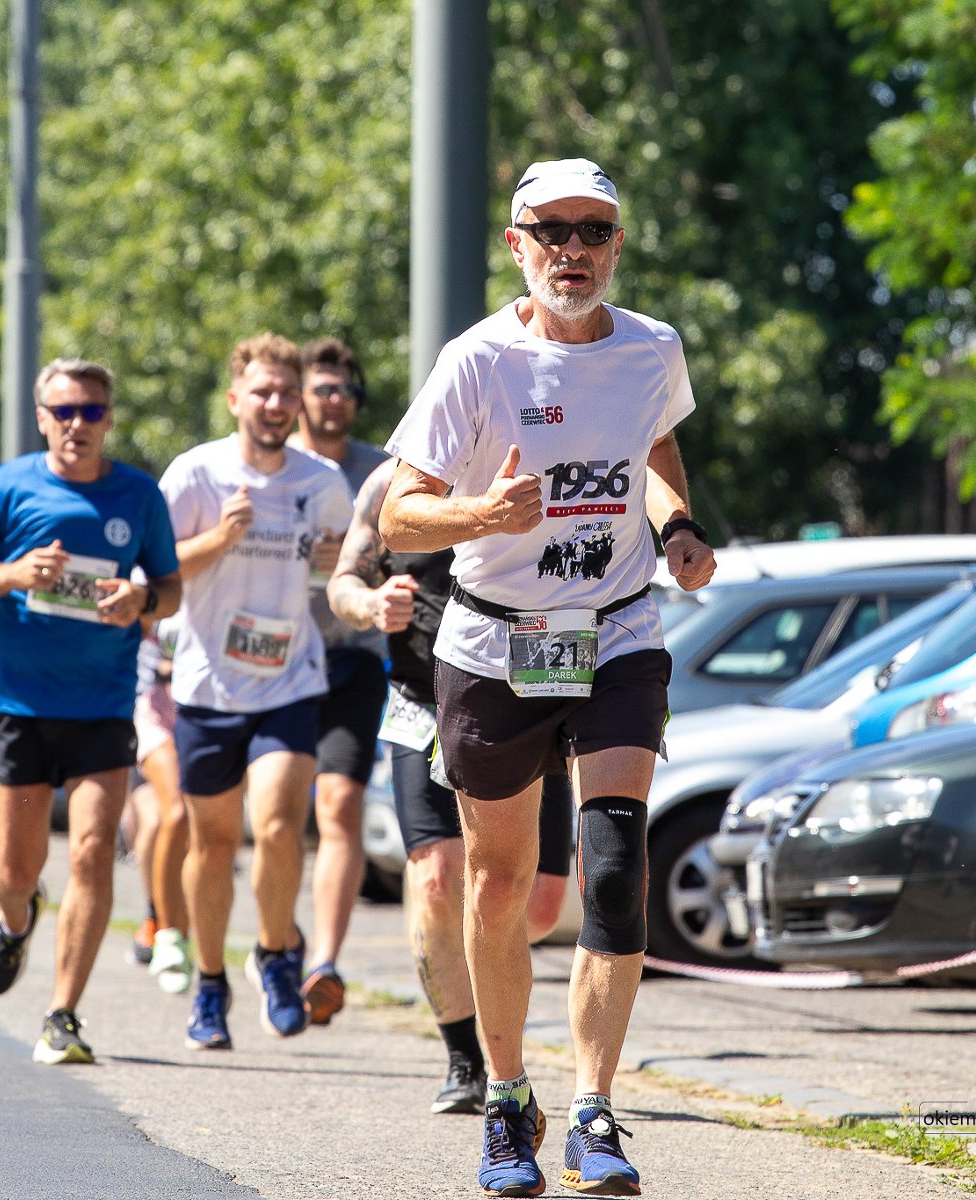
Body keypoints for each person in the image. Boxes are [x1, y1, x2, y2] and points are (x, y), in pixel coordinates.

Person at [381, 158, 716, 1197]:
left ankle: (595, 1109)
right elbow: (399, 513)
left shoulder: (652, 347)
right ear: (518, 244)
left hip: (615, 628)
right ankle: (506, 1098)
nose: (575, 249)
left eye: (595, 230)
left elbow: (655, 448)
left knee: (614, 863)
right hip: (493, 641)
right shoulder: (477, 362)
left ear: (617, 242)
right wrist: (481, 516)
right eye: (552, 230)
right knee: (501, 885)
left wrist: (679, 528)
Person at [0, 358, 182, 1065]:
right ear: (42, 418)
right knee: (15, 865)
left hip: (102, 702)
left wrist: (143, 602)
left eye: (91, 411)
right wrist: (11, 573)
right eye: (63, 411)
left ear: (109, 418)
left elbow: (171, 587)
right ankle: (12, 924)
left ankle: (63, 1013)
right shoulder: (4, 488)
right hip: (18, 704)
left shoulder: (137, 495)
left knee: (96, 850)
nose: (77, 424)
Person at [329, 456, 573, 1116]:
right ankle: (466, 1058)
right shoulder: (396, 481)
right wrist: (371, 604)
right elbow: (343, 582)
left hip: (529, 694)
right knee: (438, 876)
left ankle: (493, 1009)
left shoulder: (553, 456)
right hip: (422, 700)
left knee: (542, 906)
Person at [157, 332, 352, 1051]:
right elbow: (154, 573)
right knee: (211, 847)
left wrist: (340, 562)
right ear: (236, 399)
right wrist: (216, 539)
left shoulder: (320, 480)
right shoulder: (195, 475)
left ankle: (277, 953)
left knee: (275, 826)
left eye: (285, 393)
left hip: (288, 682)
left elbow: (350, 563)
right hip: (208, 683)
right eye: (261, 392)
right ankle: (211, 983)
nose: (274, 404)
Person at [287, 336, 393, 1024]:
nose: (336, 403)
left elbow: (414, 562)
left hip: (353, 657)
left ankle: (323, 961)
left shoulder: (381, 471)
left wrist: (359, 562)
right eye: (323, 390)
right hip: (275, 662)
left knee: (338, 808)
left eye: (346, 392)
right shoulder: (271, 467)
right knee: (273, 820)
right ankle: (277, 938)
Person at [133, 617, 192, 994]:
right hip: (148, 714)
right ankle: (156, 913)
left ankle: (175, 916)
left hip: (198, 715)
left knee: (185, 829)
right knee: (161, 819)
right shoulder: (149, 572)